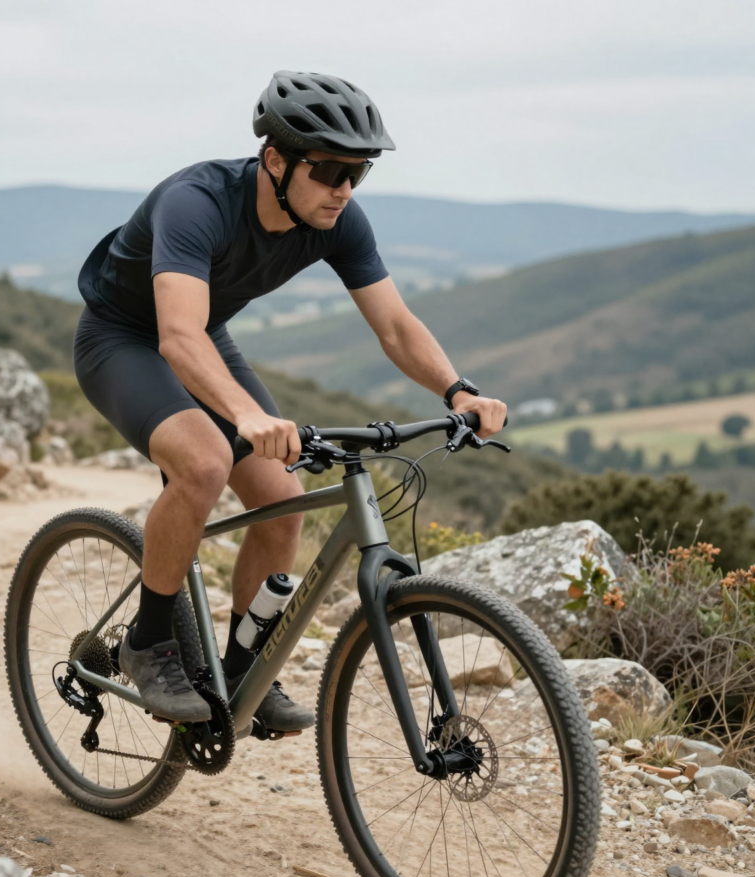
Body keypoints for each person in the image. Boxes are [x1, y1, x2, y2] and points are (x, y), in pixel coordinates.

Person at [74, 70, 507, 729]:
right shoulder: (196, 203)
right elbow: (178, 337)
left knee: (281, 501)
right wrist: (247, 415)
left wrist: (457, 389)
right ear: (275, 160)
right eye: (329, 170)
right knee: (205, 462)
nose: (343, 190)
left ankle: (243, 670)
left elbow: (395, 325)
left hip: (205, 338)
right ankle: (147, 641)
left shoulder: (337, 220)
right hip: (122, 338)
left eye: (357, 173)